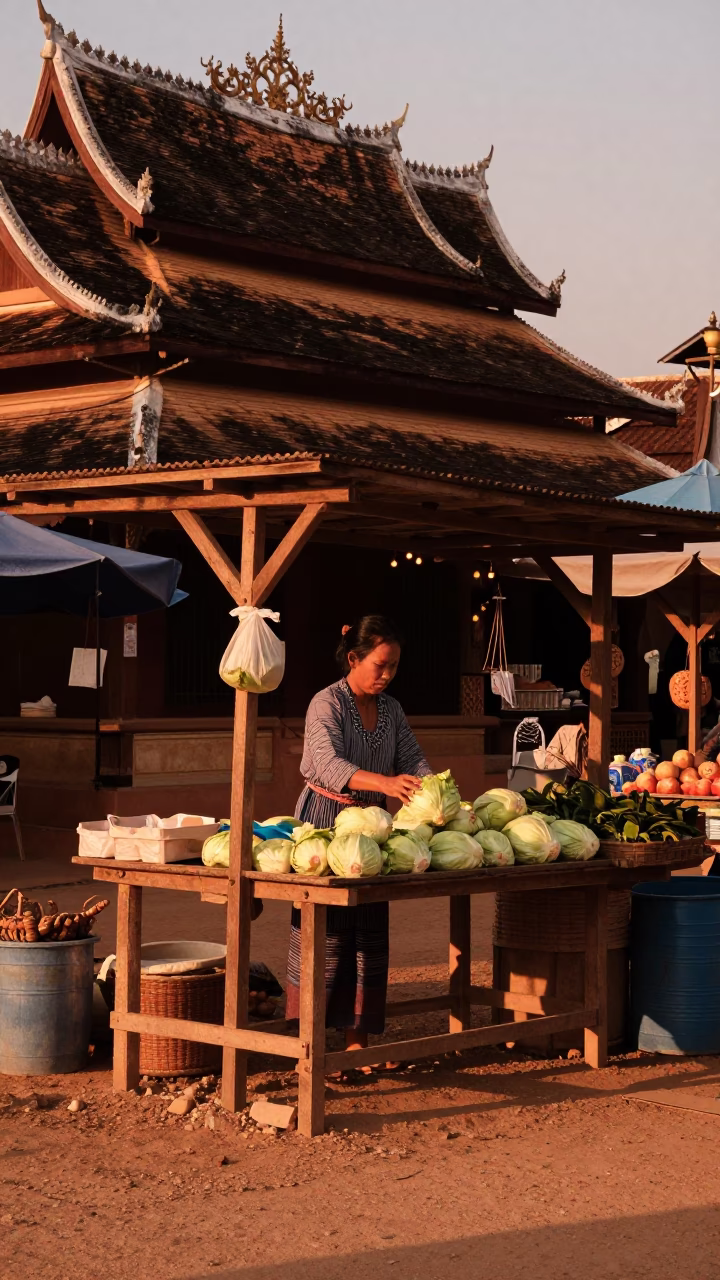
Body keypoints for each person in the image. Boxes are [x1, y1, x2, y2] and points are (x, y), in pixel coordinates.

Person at [285, 615, 432, 1072]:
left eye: (394, 667)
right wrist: (386, 784)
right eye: (380, 665)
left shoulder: (392, 710)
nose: (387, 675)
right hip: (326, 825)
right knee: (325, 935)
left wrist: (438, 796)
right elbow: (326, 764)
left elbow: (413, 759)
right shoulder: (324, 704)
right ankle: (308, 1043)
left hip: (372, 831)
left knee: (368, 933)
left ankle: (357, 1042)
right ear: (354, 658)